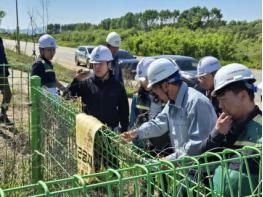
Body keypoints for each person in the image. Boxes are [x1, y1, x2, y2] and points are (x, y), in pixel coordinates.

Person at [121, 58, 217, 160]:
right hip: (185, 167)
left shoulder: (196, 103)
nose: (156, 96)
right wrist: (136, 133)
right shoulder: (172, 102)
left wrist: (167, 161)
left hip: (203, 171)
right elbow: (159, 123)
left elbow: (196, 145)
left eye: (156, 91)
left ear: (165, 85)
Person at [200, 63, 262, 196]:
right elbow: (204, 163)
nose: (220, 105)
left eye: (223, 100)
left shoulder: (260, 132)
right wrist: (216, 135)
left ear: (243, 96)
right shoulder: (224, 126)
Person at [65, 45, 129, 132]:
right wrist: (75, 80)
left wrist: (124, 131)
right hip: (89, 132)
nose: (97, 67)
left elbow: (124, 112)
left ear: (109, 64)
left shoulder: (118, 86)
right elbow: (66, 96)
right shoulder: (85, 83)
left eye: (100, 63)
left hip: (109, 134)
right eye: (95, 64)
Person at [130, 57, 172, 156]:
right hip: (142, 146)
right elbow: (133, 122)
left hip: (164, 148)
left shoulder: (167, 97)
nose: (143, 82)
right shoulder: (137, 98)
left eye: (145, 79)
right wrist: (136, 144)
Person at [0, 37, 13, 125]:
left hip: (1, 71)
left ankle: (2, 114)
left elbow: (2, 54)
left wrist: (6, 67)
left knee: (8, 94)